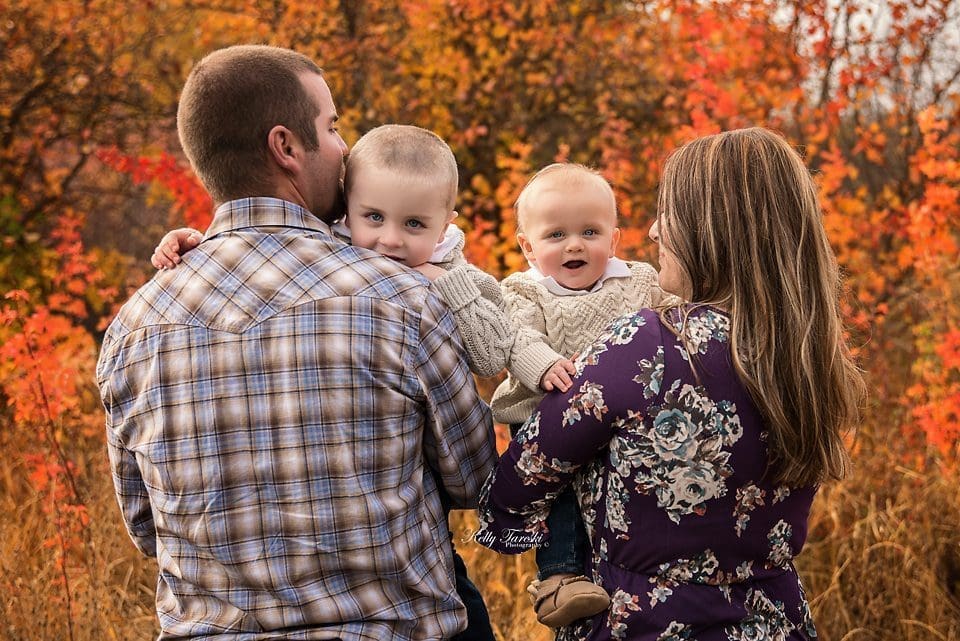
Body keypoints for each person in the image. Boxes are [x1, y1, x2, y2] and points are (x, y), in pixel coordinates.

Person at [96, 44, 497, 640]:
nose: (344, 149)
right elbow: (474, 478)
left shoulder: (134, 327)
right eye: (332, 127)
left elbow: (146, 529)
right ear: (285, 147)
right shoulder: (401, 298)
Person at [475, 127, 866, 641]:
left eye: (670, 215)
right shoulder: (807, 349)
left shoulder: (650, 344)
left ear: (712, 229)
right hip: (775, 622)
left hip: (645, 624)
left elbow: (518, 483)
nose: (655, 231)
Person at [487, 163, 666, 628]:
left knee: (625, 487)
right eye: (556, 235)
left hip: (619, 421)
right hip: (545, 407)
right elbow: (516, 338)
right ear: (527, 246)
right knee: (558, 494)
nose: (574, 245)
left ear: (614, 238)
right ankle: (558, 579)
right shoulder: (524, 289)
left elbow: (671, 319)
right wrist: (542, 365)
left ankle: (624, 565)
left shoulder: (639, 280)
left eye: (590, 231)